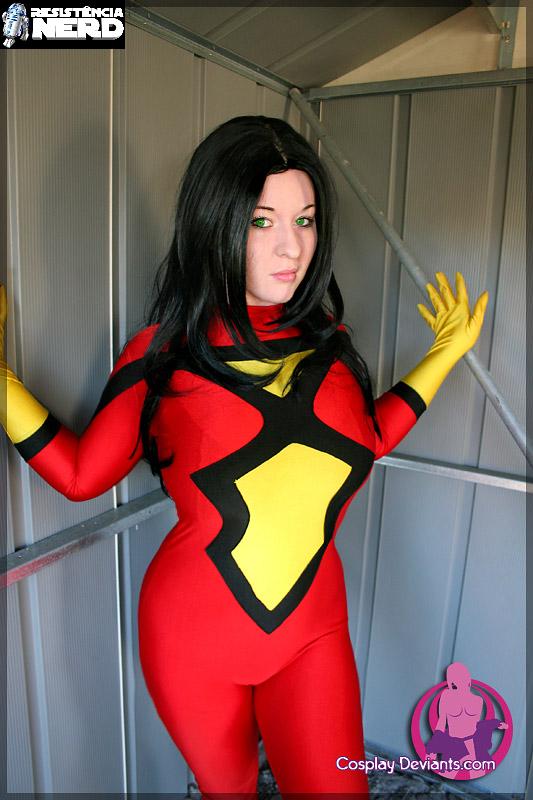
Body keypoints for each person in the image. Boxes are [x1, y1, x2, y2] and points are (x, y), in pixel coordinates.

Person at [0, 115, 488, 799]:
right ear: (216, 224)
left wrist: (441, 358)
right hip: (192, 644)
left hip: (313, 635)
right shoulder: (164, 353)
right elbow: (82, 476)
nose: (291, 246)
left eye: (305, 219)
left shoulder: (331, 344)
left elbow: (362, 441)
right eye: (262, 221)